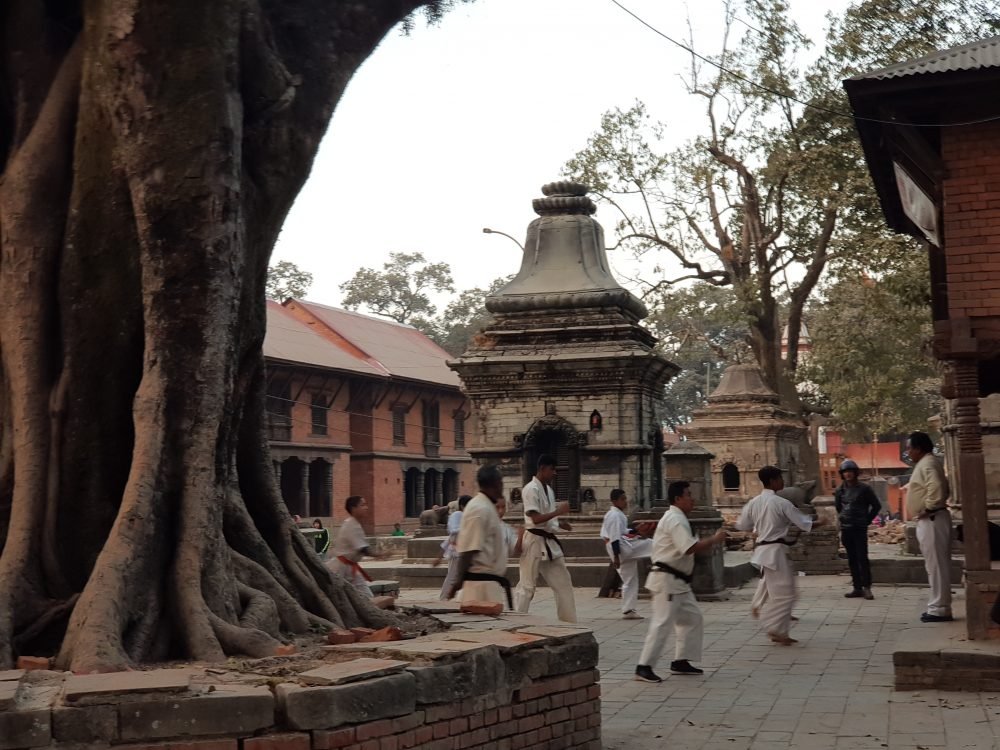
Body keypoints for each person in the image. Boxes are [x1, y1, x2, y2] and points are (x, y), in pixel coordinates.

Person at [635, 481, 726, 683]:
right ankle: (644, 666)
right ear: (678, 499)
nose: (692, 498)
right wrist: (714, 539)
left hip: (679, 582)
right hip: (667, 580)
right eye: (688, 495)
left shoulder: (675, 518)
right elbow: (688, 548)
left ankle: (681, 660)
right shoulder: (675, 519)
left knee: (693, 618)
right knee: (662, 623)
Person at [736, 466, 824, 645]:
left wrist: (761, 529)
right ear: (774, 481)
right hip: (774, 552)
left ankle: (780, 630)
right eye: (780, 478)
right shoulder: (780, 503)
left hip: (764, 551)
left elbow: (742, 524)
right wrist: (821, 522)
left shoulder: (754, 502)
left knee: (778, 591)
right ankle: (774, 627)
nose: (783, 482)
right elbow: (803, 523)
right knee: (786, 594)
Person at [514, 454, 577, 623]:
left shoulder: (548, 490)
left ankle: (569, 623)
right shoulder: (530, 489)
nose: (555, 473)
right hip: (533, 541)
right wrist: (558, 512)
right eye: (552, 469)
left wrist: (560, 523)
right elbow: (535, 519)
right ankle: (518, 622)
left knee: (563, 583)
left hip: (548, 543)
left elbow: (548, 519)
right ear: (542, 469)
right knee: (527, 587)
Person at [446, 465, 512, 607]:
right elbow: (469, 550)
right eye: (501, 482)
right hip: (479, 588)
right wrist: (457, 583)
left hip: (489, 584)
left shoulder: (487, 506)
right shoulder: (479, 509)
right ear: (496, 484)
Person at [905, 431, 953, 622]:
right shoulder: (926, 463)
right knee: (933, 566)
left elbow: (937, 486)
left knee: (937, 566)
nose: (908, 452)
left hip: (933, 518)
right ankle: (937, 605)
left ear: (918, 448)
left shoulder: (928, 463)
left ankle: (940, 608)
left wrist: (929, 507)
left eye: (909, 448)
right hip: (929, 519)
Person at [601, 489, 653, 620]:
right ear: (615, 501)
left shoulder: (617, 514)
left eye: (625, 499)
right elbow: (615, 537)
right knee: (652, 544)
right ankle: (672, 549)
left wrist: (636, 530)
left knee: (630, 579)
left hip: (620, 546)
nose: (625, 502)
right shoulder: (614, 515)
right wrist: (616, 557)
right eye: (622, 499)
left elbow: (624, 531)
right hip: (620, 548)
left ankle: (628, 610)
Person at [834, 459, 881, 600]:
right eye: (845, 472)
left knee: (862, 557)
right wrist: (844, 519)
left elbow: (876, 506)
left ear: (855, 472)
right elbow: (839, 508)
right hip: (846, 528)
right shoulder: (839, 491)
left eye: (850, 471)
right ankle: (857, 587)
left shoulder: (864, 489)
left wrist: (866, 520)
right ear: (842, 474)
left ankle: (867, 587)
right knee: (852, 559)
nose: (848, 474)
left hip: (859, 527)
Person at [327, 496, 383, 597]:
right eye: (362, 505)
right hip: (341, 568)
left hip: (349, 567)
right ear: (353, 509)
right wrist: (379, 554)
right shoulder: (350, 525)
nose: (366, 507)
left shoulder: (354, 524)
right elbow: (363, 549)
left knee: (365, 596)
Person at [438, 495, 473, 600]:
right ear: (463, 506)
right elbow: (453, 532)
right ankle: (444, 598)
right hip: (457, 551)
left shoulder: (467, 516)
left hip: (465, 551)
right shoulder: (457, 515)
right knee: (452, 577)